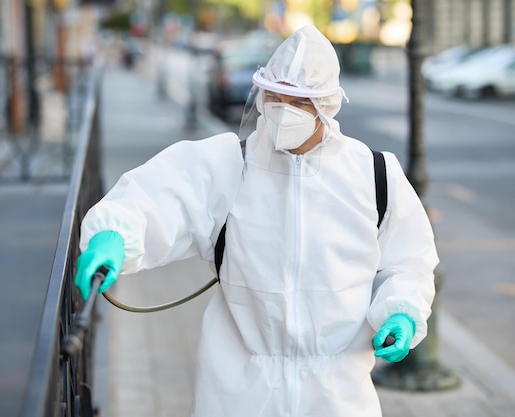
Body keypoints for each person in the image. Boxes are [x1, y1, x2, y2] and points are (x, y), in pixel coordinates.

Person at [75, 25, 438, 417]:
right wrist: (113, 234)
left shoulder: (373, 175)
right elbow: (161, 195)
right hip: (238, 390)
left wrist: (401, 309)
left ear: (325, 106)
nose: (282, 110)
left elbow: (408, 262)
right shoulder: (232, 165)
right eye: (275, 97)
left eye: (297, 101)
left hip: (337, 393)